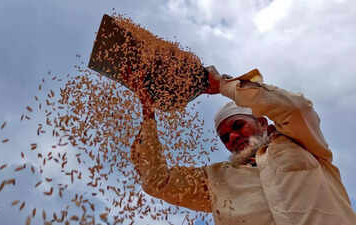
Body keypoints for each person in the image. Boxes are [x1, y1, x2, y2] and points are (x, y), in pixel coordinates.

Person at [129, 68, 356, 225]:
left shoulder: (302, 143)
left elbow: (297, 109)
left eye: (238, 125)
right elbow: (159, 181)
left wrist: (222, 85)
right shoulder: (215, 179)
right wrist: (148, 113)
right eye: (225, 137)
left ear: (261, 122)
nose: (233, 137)